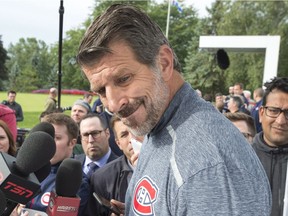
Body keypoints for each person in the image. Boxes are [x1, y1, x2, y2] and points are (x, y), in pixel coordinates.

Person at [77, 4, 271, 215]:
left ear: (164, 63)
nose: (113, 104)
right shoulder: (159, 123)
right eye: (101, 91)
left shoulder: (206, 163)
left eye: (123, 79)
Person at [25, 113, 89, 215]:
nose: (49, 143)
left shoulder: (75, 182)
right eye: (46, 137)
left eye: (57, 138)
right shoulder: (28, 170)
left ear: (72, 143)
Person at [84, 115, 143, 216]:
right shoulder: (101, 178)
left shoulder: (169, 166)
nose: (131, 139)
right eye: (124, 135)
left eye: (135, 130)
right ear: (118, 143)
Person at [252, 77, 288, 216]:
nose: (280, 121)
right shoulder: (241, 159)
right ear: (261, 113)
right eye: (273, 110)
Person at [75, 113, 118, 181]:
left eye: (95, 133)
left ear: (107, 133)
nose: (90, 140)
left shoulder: (121, 169)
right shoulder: (72, 167)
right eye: (85, 135)